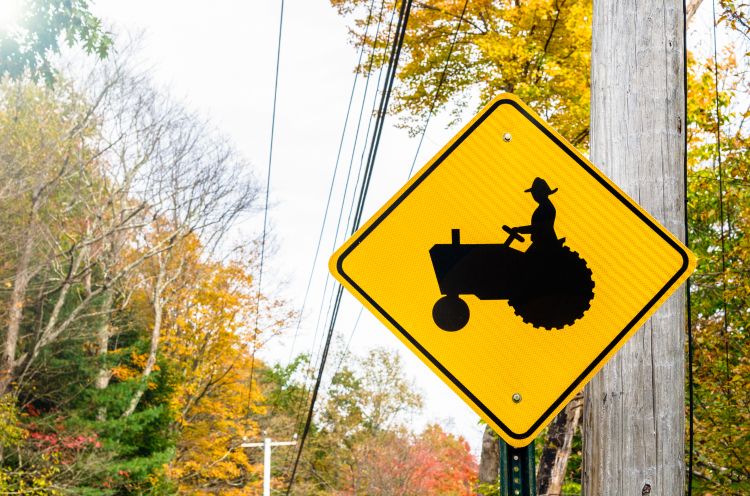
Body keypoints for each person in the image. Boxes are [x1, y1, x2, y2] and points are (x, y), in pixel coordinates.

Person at [513, 177, 559, 251]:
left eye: (535, 192)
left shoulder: (547, 208)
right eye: (533, 193)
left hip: (545, 246)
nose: (534, 195)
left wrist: (519, 229)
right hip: (541, 243)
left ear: (542, 193)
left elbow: (539, 228)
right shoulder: (544, 206)